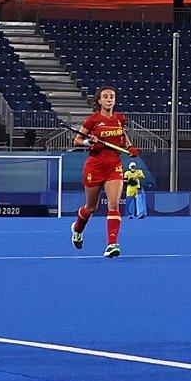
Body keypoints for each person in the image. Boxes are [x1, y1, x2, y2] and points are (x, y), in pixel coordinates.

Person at [69, 87, 137, 258]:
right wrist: (89, 143)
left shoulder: (120, 119)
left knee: (113, 205)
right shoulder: (92, 121)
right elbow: (76, 141)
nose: (109, 99)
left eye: (112, 97)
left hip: (114, 166)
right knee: (91, 207)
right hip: (95, 167)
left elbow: (122, 136)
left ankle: (112, 243)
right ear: (99, 100)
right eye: (105, 97)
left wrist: (129, 147)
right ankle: (77, 229)